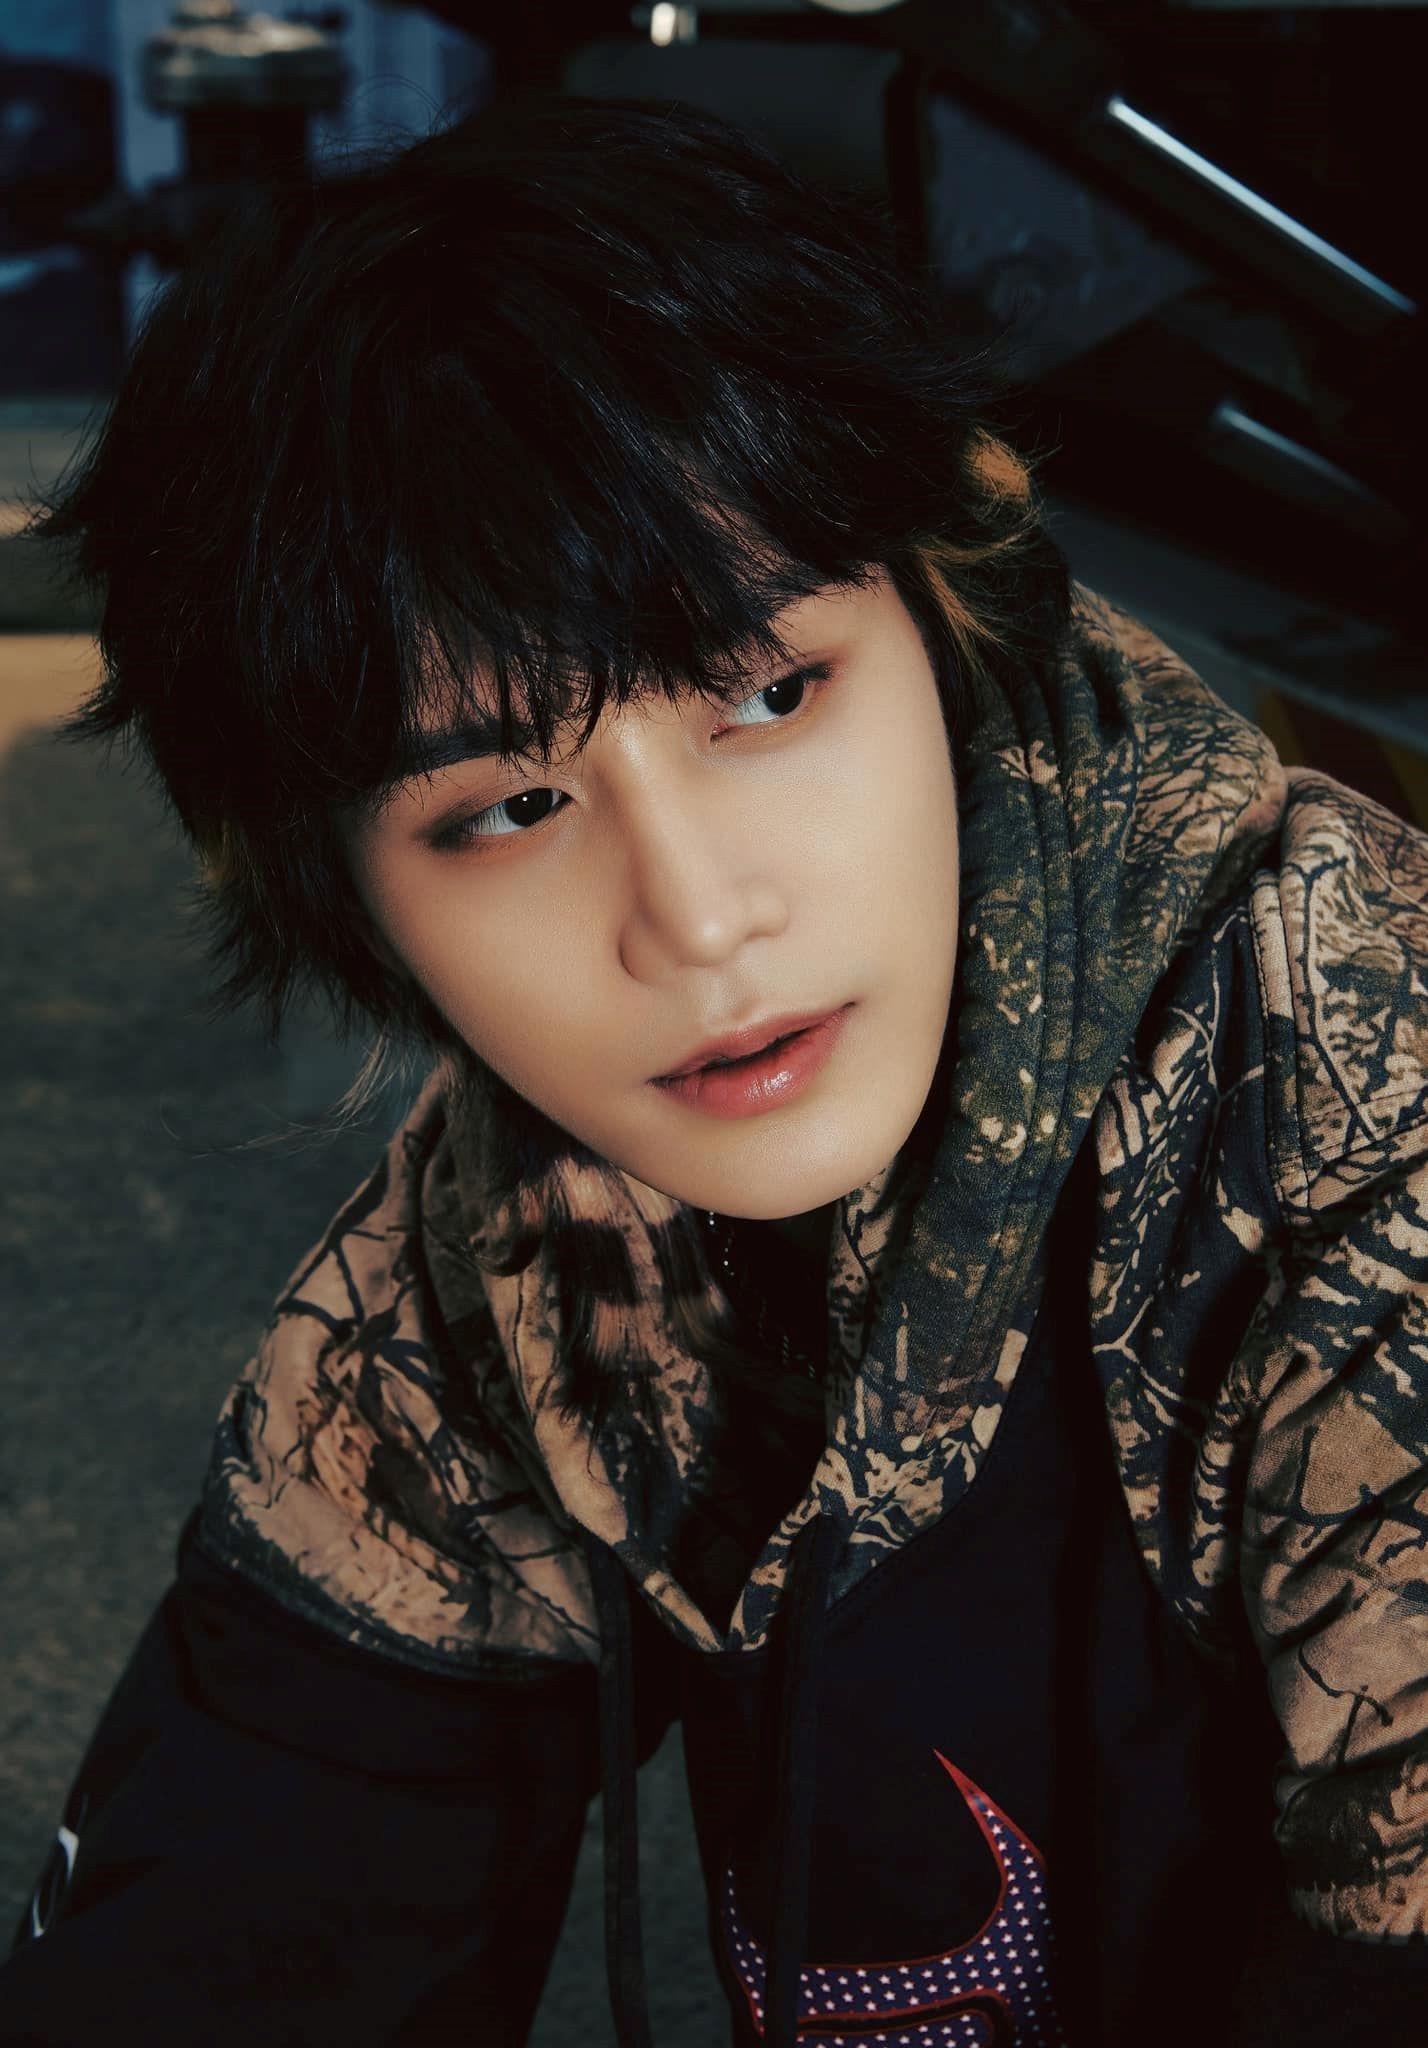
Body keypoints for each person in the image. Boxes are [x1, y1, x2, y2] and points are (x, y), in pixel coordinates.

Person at [6, 93, 1428, 2048]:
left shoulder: (1362, 1124)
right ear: (349, 899)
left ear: (945, 611)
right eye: (509, 807)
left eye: (768, 692)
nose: (693, 919)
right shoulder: (516, 1246)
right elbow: (230, 1935)